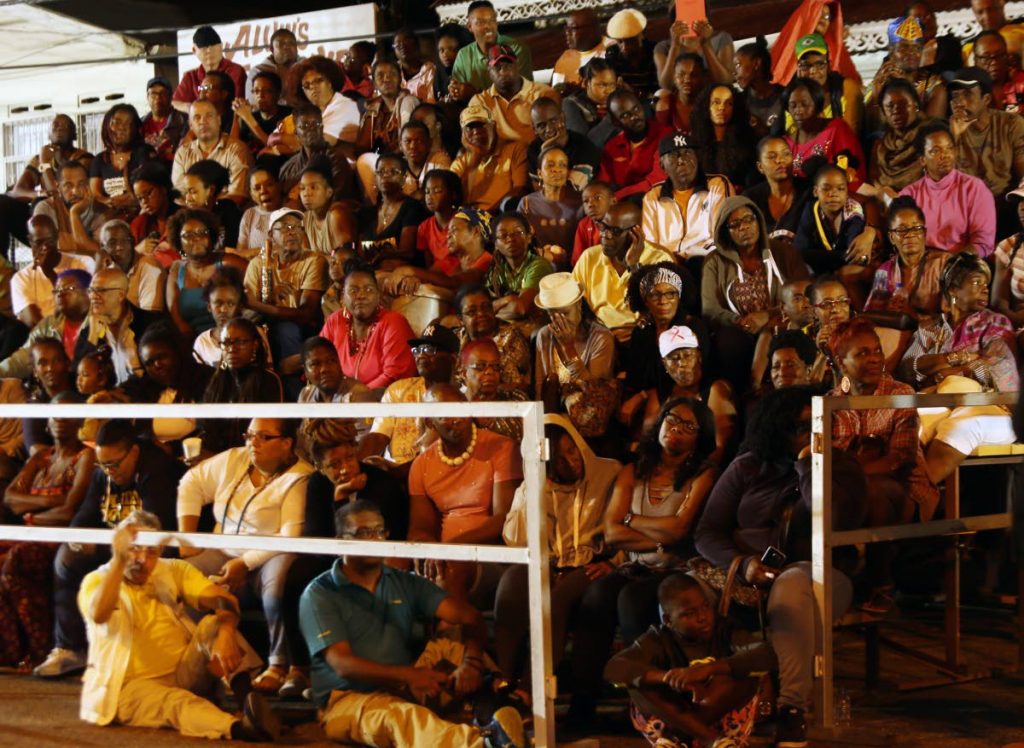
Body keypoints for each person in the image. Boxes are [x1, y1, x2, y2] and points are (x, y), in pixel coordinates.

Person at [695, 385, 866, 748]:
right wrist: (742, 565)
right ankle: (689, 699)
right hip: (749, 574)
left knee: (790, 585)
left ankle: (791, 710)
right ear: (779, 428)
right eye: (802, 426)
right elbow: (707, 532)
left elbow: (833, 519)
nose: (812, 432)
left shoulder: (842, 466)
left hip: (821, 574)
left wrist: (808, 461)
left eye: (818, 424)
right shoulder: (750, 465)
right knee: (681, 594)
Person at [299, 499, 524, 748]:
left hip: (402, 683)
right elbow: (342, 665)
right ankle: (483, 743)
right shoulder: (320, 593)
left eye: (379, 531)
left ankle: (500, 699)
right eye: (363, 533)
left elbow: (469, 617)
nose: (374, 539)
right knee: (401, 717)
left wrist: (470, 663)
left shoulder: (401, 581)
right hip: (348, 699)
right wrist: (409, 675)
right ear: (340, 539)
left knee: (456, 639)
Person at [570, 397, 716, 725]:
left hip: (677, 569)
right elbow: (611, 531)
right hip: (636, 564)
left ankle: (646, 699)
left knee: (632, 600)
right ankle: (584, 699)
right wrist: (656, 535)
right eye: (671, 419)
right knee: (596, 595)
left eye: (688, 426)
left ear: (700, 437)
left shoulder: (703, 475)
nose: (676, 429)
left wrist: (631, 519)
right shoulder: (632, 470)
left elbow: (679, 530)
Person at [78, 512, 279, 742]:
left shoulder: (172, 569)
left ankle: (249, 705)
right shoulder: (97, 581)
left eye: (151, 551)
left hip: (183, 674)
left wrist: (225, 633)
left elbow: (224, 600)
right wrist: (119, 561)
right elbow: (99, 614)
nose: (142, 558)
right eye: (134, 549)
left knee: (213, 623)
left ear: (160, 552)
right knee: (176, 703)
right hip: (127, 690)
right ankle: (240, 728)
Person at [35, 420, 183, 679]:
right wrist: (81, 536)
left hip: (151, 550)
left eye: (114, 464)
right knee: (67, 557)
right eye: (102, 464)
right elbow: (84, 515)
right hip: (115, 546)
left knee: (141, 558)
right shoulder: (102, 473)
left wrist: (116, 545)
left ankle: (147, 654)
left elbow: (156, 525)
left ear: (134, 452)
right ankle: (69, 648)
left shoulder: (157, 470)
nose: (108, 471)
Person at [177, 416, 312, 696]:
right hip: (223, 549)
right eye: (249, 435)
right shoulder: (235, 459)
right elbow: (190, 482)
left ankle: (278, 664)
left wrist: (245, 562)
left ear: (287, 443)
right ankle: (240, 663)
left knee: (279, 584)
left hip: (271, 553)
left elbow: (290, 536)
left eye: (264, 437)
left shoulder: (300, 476)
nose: (253, 443)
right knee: (180, 579)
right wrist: (188, 537)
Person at [495, 414, 620, 701]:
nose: (571, 461)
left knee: (556, 598)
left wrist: (616, 561)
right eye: (559, 460)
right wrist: (535, 485)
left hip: (592, 564)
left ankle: (529, 689)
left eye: (571, 450)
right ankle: (502, 679)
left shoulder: (608, 473)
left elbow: (624, 528)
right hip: (547, 564)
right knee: (511, 585)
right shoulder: (534, 486)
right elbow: (515, 540)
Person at [829, 319, 938, 612]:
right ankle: (833, 577)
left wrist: (854, 469)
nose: (875, 358)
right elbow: (832, 460)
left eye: (876, 350)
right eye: (862, 353)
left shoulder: (899, 393)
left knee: (874, 490)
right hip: (850, 491)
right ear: (842, 361)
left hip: (904, 490)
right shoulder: (833, 402)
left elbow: (898, 459)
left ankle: (881, 584)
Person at [604, 573, 775, 748]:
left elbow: (765, 654)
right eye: (690, 613)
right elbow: (614, 668)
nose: (703, 617)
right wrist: (668, 677)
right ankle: (708, 737)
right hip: (678, 714)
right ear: (668, 620)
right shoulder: (658, 638)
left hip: (711, 719)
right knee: (637, 684)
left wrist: (709, 669)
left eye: (705, 607)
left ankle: (681, 736)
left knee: (741, 674)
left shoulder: (724, 629)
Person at [0, 391, 93, 669]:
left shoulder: (84, 457)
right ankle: (10, 651)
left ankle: (40, 649)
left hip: (60, 539)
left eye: (67, 414)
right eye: (55, 414)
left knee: (16, 560)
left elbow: (69, 512)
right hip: (31, 534)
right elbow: (10, 499)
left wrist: (31, 513)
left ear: (80, 420)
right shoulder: (41, 457)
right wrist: (50, 502)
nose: (60, 420)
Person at [408, 383, 523, 601]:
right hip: (444, 557)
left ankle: (450, 633)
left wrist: (451, 549)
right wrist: (430, 549)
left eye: (461, 408)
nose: (458, 418)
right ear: (430, 422)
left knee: (449, 572)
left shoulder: (501, 448)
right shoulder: (422, 464)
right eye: (446, 415)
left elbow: (504, 519)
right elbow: (419, 527)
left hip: (492, 557)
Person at [702, 196, 809, 393]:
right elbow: (710, 309)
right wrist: (739, 321)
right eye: (735, 224)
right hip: (738, 329)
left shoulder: (783, 252)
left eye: (749, 219)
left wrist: (767, 315)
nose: (744, 227)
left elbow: (803, 294)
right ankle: (740, 397)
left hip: (780, 322)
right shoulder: (714, 261)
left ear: (758, 220)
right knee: (729, 341)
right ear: (725, 231)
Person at [901, 252, 1019, 393]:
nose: (985, 289)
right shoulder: (930, 328)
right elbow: (907, 369)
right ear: (953, 289)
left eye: (986, 284)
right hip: (931, 406)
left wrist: (940, 375)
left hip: (980, 406)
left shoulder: (995, 322)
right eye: (976, 282)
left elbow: (997, 369)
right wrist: (959, 358)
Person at [627, 326, 737, 466]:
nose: (682, 364)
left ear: (699, 356)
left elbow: (722, 448)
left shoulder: (715, 389)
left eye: (687, 355)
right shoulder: (661, 393)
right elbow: (648, 439)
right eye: (674, 359)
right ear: (664, 365)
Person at [243, 207, 328, 378]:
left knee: (285, 330)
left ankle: (293, 395)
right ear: (270, 235)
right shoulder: (257, 264)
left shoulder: (314, 260)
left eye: (296, 227)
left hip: (301, 329)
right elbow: (246, 314)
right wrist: (270, 299)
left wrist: (261, 305)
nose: (291, 232)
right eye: (283, 228)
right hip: (263, 327)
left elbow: (306, 315)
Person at [359, 326, 461, 468]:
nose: (421, 355)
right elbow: (378, 436)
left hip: (441, 470)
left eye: (429, 349)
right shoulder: (398, 390)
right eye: (417, 350)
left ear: (453, 358)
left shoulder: (461, 396)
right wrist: (358, 464)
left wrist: (400, 471)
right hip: (393, 472)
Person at [573, 202, 675, 342]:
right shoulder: (589, 257)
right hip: (597, 336)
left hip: (640, 336)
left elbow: (659, 309)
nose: (605, 235)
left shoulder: (660, 259)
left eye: (615, 231)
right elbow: (576, 303)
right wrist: (600, 333)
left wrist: (634, 267)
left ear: (635, 233)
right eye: (603, 227)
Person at [534, 273, 618, 440]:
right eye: (553, 315)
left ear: (579, 305)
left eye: (565, 313)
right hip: (555, 418)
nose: (560, 322)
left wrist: (568, 348)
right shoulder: (544, 335)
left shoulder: (601, 338)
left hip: (590, 421)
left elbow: (595, 392)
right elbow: (540, 387)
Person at [899, 121, 996, 257]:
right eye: (936, 151)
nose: (945, 155)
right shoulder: (909, 194)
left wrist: (948, 264)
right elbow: (903, 239)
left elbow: (983, 243)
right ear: (922, 160)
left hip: (962, 265)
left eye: (949, 148)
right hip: (920, 264)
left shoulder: (974, 188)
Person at [320, 259, 418, 392]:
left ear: (378, 295)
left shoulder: (394, 323)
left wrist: (355, 398)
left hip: (382, 404)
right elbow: (319, 358)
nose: (361, 295)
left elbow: (394, 375)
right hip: (339, 403)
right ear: (343, 297)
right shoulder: (335, 321)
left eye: (368, 289)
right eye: (353, 291)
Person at [641, 132, 733, 265]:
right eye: (673, 155)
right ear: (662, 166)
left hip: (705, 260)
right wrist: (669, 260)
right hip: (667, 265)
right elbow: (650, 246)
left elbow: (722, 236)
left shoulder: (717, 185)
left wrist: (686, 255)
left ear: (697, 158)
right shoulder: (653, 196)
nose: (681, 160)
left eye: (687, 153)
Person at [947, 66, 1024, 219]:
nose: (959, 103)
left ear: (986, 99)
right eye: (955, 96)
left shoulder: (1011, 124)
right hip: (968, 215)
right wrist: (953, 139)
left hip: (1008, 210)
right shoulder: (948, 132)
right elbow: (943, 185)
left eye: (968, 95)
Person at [200, 317, 283, 452]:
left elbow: (267, 432)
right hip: (217, 456)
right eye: (226, 343)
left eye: (239, 342)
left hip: (254, 452)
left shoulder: (268, 380)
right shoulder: (216, 380)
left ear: (254, 344)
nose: (232, 348)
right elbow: (207, 428)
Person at [622, 261, 704, 398]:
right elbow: (634, 378)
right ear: (645, 301)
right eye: (655, 295)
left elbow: (692, 379)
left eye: (670, 293)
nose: (663, 301)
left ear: (679, 297)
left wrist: (644, 396)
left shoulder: (693, 327)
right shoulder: (641, 332)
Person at [166, 208, 247, 340]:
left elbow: (257, 291)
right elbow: (176, 318)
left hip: (231, 337)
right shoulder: (177, 270)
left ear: (212, 236)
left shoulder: (228, 262)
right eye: (188, 235)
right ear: (178, 241)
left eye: (202, 233)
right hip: (192, 340)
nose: (196, 238)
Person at [864, 196, 948, 321]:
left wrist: (912, 315)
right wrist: (889, 309)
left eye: (916, 228)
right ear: (892, 237)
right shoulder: (885, 271)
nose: (910, 235)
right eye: (901, 230)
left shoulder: (943, 264)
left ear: (924, 233)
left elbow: (953, 317)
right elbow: (872, 315)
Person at [792, 165, 876, 284]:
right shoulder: (811, 209)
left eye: (840, 189)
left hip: (843, 272)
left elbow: (852, 255)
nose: (833, 194)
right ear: (816, 191)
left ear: (847, 192)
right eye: (826, 189)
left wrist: (819, 257)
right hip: (821, 271)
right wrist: (836, 257)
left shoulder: (853, 213)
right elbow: (800, 251)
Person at [0, 269, 90, 380]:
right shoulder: (49, 325)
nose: (60, 294)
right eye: (56, 290)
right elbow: (22, 360)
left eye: (69, 288)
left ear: (88, 292)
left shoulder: (99, 324)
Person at [780, 76, 865, 191]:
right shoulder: (785, 143)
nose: (798, 111)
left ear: (818, 106)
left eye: (805, 105)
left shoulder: (836, 129)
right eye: (793, 106)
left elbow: (854, 178)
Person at [11, 215, 94, 329]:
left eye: (49, 241)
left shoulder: (83, 263)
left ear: (56, 237)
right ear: (30, 241)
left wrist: (50, 273)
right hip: (45, 339)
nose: (45, 247)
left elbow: (88, 307)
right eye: (39, 242)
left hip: (82, 330)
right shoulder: (21, 278)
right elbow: (33, 322)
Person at [353, 59, 421, 197]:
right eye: (380, 75)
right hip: (381, 164)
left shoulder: (408, 102)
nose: (386, 79)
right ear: (374, 82)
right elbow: (363, 146)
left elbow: (409, 142)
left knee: (365, 161)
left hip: (404, 161)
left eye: (392, 74)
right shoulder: (374, 109)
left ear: (400, 78)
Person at [468, 44, 559, 145]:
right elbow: (473, 142)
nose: (503, 71)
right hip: (499, 159)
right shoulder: (480, 102)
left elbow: (556, 135)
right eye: (497, 67)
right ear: (489, 71)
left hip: (536, 156)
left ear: (517, 65)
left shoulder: (544, 94)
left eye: (508, 64)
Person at [449, 283, 531, 393]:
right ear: (460, 320)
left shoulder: (510, 337)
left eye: (486, 307)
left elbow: (518, 386)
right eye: (472, 312)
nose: (481, 314)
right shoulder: (454, 339)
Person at [172, 99, 253, 205]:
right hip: (191, 214)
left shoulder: (237, 150)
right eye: (197, 118)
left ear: (219, 120)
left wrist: (204, 203)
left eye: (209, 116)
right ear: (191, 125)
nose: (203, 122)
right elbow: (180, 194)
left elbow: (238, 197)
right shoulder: (182, 153)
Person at [865, 16, 945, 122]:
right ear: (891, 51)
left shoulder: (933, 86)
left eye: (916, 48)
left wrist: (904, 87)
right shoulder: (879, 83)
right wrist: (876, 97)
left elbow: (932, 129)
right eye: (904, 47)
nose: (911, 53)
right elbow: (870, 129)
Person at [450, 104, 529, 211]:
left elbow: (519, 190)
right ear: (462, 134)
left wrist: (488, 215)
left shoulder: (514, 149)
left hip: (502, 215)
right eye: (469, 128)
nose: (476, 132)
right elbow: (454, 197)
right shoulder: (461, 162)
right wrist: (476, 155)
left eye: (481, 126)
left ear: (493, 126)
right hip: (470, 218)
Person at [869, 78, 939, 197]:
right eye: (890, 106)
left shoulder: (932, 137)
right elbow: (875, 185)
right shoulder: (880, 147)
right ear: (883, 111)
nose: (896, 111)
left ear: (916, 105)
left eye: (902, 104)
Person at [450, 0, 533, 98]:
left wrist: (475, 93)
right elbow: (458, 90)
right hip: (474, 110)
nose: (488, 26)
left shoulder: (516, 49)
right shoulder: (463, 55)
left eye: (491, 20)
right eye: (480, 22)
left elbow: (520, 92)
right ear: (469, 26)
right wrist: (455, 91)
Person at [278, 104, 357, 205]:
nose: (311, 129)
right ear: (296, 133)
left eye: (316, 124)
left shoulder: (335, 159)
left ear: (322, 128)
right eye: (304, 126)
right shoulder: (288, 167)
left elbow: (337, 199)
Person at [600, 89, 672, 199]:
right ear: (615, 121)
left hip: (654, 198)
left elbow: (656, 181)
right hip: (617, 203)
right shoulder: (611, 146)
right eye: (625, 115)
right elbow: (603, 185)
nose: (634, 116)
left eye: (636, 109)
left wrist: (618, 196)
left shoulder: (665, 135)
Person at [770, 0, 862, 86]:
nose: (823, 19)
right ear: (808, 16)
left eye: (827, 17)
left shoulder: (834, 52)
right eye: (819, 14)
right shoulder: (788, 52)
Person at [359, 152, 428, 266]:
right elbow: (360, 252)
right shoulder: (367, 213)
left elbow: (407, 252)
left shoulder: (411, 207)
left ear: (404, 178)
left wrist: (381, 256)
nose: (386, 176)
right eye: (381, 172)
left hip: (399, 272)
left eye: (393, 172)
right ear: (375, 177)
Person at [192, 267, 270, 368]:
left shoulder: (255, 333)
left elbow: (268, 372)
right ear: (209, 307)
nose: (224, 309)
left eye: (230, 304)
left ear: (240, 306)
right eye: (218, 303)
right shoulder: (202, 342)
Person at [518, 147, 582, 269]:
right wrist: (543, 254)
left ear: (568, 172)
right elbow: (521, 243)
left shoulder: (580, 201)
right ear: (539, 173)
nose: (557, 170)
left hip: (575, 267)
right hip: (539, 267)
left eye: (562, 165)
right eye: (550, 165)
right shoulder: (527, 204)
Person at [485, 211, 555, 318]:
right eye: (503, 235)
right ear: (496, 245)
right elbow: (483, 303)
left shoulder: (539, 265)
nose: (510, 239)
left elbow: (520, 308)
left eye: (517, 233)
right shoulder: (497, 270)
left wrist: (491, 309)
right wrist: (508, 300)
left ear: (529, 237)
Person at [742, 136, 812, 242]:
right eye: (772, 157)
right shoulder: (750, 199)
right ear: (760, 167)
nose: (780, 160)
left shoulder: (808, 192)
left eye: (786, 154)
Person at [33, 160, 109, 256]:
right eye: (68, 186)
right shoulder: (45, 208)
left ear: (88, 184)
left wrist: (74, 214)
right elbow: (45, 254)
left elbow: (99, 255)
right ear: (58, 187)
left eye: (81, 184)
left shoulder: (100, 210)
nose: (75, 191)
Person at [88, 104, 151, 216]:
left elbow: (144, 192)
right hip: (108, 215)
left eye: (128, 123)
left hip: (139, 214)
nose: (121, 128)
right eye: (116, 122)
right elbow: (95, 195)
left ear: (136, 129)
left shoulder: (143, 153)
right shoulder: (99, 160)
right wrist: (110, 202)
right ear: (107, 125)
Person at [526, 97, 602, 190]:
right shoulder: (533, 149)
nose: (549, 129)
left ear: (562, 118)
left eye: (553, 121)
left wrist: (545, 151)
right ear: (535, 130)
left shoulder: (584, 147)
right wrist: (545, 151)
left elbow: (569, 191)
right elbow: (538, 191)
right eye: (542, 125)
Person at [690, 84, 756, 188]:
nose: (722, 107)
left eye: (728, 103)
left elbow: (751, 181)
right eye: (716, 102)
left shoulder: (747, 140)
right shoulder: (694, 141)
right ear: (707, 106)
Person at [172, 25, 247, 115]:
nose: (209, 50)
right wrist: (191, 108)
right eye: (203, 47)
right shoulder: (190, 76)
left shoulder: (236, 71)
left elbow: (237, 102)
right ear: (194, 50)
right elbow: (174, 103)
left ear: (221, 46)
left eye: (213, 45)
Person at [299, 158, 357, 256]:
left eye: (313, 187)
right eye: (303, 188)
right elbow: (306, 260)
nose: (306, 193)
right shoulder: (304, 220)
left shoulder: (337, 215)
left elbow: (346, 260)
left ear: (329, 192)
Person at [180, 159, 244, 249]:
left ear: (211, 190)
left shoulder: (230, 213)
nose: (187, 198)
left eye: (193, 192)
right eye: (186, 192)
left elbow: (231, 250)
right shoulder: (184, 217)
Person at [128, 160, 178, 270]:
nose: (144, 201)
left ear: (163, 189)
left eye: (148, 193)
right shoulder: (139, 223)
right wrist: (137, 250)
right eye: (140, 198)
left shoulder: (182, 217)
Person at [562, 58, 621, 151]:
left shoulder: (618, 100)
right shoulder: (571, 104)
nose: (608, 91)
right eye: (602, 85)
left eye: (612, 85)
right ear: (586, 83)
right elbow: (583, 145)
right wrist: (611, 117)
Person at [603, 8, 658, 98]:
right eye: (620, 42)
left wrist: (635, 93)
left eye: (630, 41)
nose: (625, 47)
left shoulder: (655, 51)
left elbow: (660, 95)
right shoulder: (612, 54)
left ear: (643, 34)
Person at [735, 38, 784, 136]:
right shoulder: (739, 102)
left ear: (756, 63)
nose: (734, 72)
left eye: (738, 65)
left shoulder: (786, 96)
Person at [236, 160, 284, 260]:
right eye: (257, 188)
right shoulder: (249, 214)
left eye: (269, 185)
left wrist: (256, 252)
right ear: (251, 194)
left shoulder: (291, 212)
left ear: (278, 185)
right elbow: (240, 254)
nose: (263, 191)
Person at [233, 70, 291, 151]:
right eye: (256, 91)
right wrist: (237, 115)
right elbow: (232, 147)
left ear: (278, 93)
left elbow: (274, 148)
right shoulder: (252, 116)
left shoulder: (288, 115)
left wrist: (248, 118)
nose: (260, 96)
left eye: (267, 91)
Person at [970, 30, 1024, 113]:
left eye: (999, 55)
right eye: (986, 57)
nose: (994, 62)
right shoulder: (967, 91)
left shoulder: (1021, 82)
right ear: (975, 61)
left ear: (1006, 56)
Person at [247, 27, 304, 104]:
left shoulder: (307, 66)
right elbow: (254, 104)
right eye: (281, 44)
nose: (286, 47)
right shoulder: (258, 71)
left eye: (291, 43)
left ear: (297, 47)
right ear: (271, 49)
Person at [551, 9, 606, 87]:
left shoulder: (612, 50)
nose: (567, 33)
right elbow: (555, 92)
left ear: (591, 29)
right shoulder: (566, 58)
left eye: (572, 29)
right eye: (566, 28)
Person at [572, 180, 615, 266]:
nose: (590, 204)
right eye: (586, 201)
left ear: (613, 201)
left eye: (598, 198)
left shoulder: (622, 223)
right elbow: (577, 261)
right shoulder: (584, 225)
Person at [393, 28, 437, 103]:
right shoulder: (393, 69)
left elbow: (431, 101)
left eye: (406, 42)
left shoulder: (429, 70)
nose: (402, 46)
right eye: (398, 44)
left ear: (416, 45)